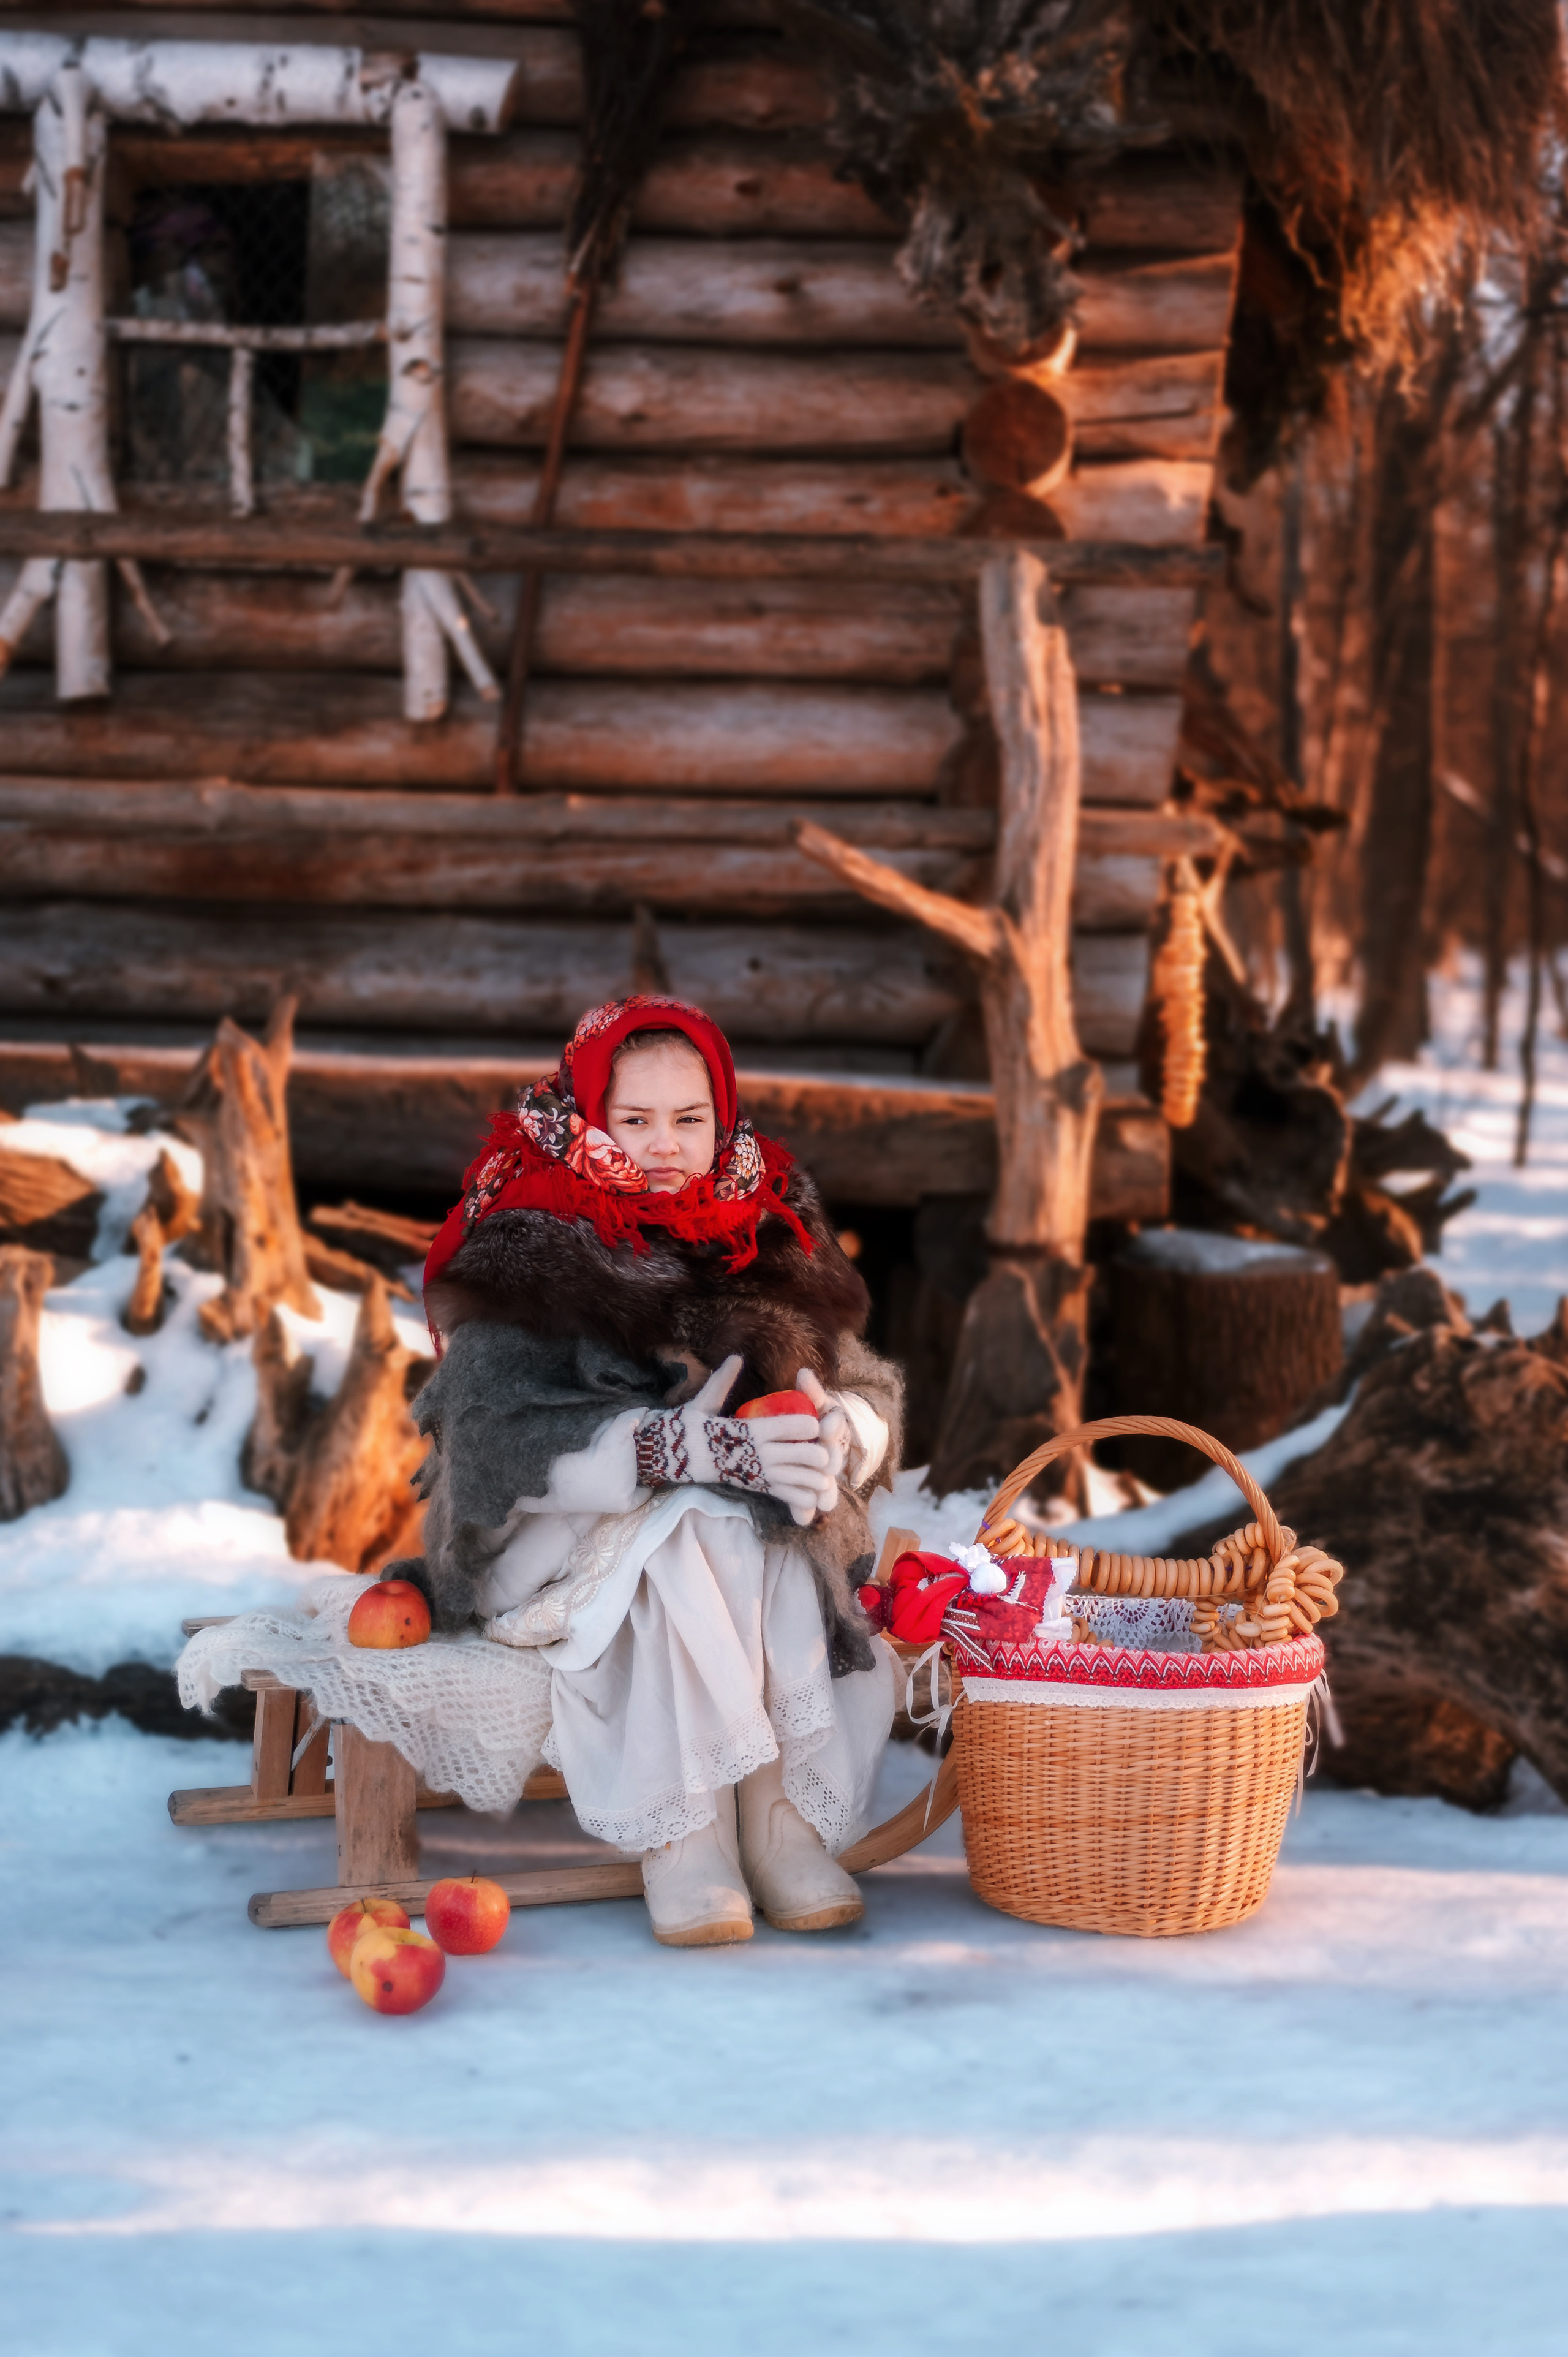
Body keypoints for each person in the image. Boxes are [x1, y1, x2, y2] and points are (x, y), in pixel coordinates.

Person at [402, 994, 902, 1948]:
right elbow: (491, 1437)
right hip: (550, 1533)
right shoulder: (529, 1231)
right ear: (592, 1115)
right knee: (702, 1521)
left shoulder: (768, 1221)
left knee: (766, 1527)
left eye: (689, 1120)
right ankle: (690, 1831)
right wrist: (676, 1449)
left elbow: (865, 1378)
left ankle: (780, 1822)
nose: (665, 1147)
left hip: (734, 1527)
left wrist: (838, 1433)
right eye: (634, 1121)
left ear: (723, 1118)